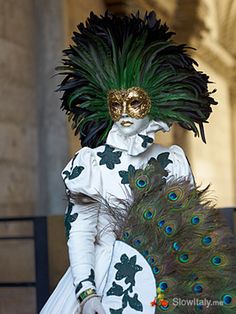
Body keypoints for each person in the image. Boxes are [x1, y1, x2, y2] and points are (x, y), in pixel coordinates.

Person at [40, 12, 235, 314]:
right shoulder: (89, 164)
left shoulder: (171, 160)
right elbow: (80, 233)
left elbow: (187, 231)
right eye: (116, 104)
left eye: (135, 101)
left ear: (151, 102)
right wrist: (87, 293)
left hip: (165, 284)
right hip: (102, 284)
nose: (125, 112)